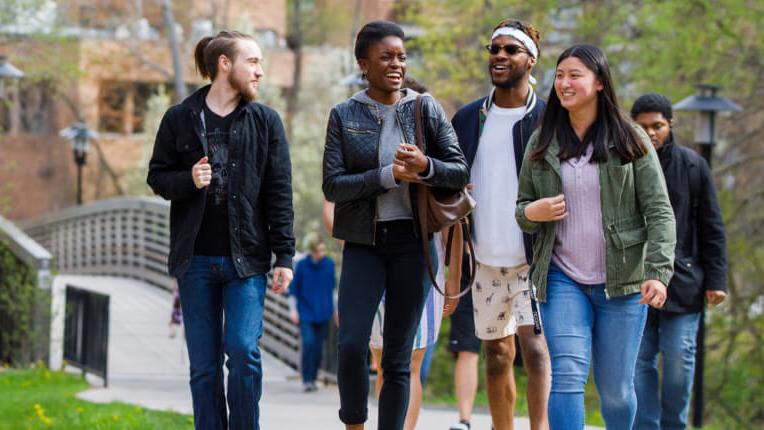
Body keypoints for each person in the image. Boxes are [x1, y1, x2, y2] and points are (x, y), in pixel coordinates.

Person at [515, 44, 676, 429]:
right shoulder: (541, 143)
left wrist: (658, 271)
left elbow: (659, 210)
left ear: (600, 82)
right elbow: (522, 209)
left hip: (623, 282)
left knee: (617, 390)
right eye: (560, 76)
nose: (564, 83)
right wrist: (532, 213)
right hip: (562, 277)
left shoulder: (631, 139)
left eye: (575, 75)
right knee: (567, 377)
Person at [323, 20, 469, 430]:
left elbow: (459, 171)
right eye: (386, 56)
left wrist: (426, 167)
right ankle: (354, 424)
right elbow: (333, 185)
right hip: (363, 243)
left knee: (397, 357)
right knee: (351, 343)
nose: (396, 64)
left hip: (413, 243)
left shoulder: (426, 108)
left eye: (402, 57)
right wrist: (389, 174)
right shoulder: (344, 114)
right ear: (363, 64)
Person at [147, 30, 294, 430]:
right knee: (205, 367)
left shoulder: (266, 121)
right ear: (225, 64)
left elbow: (279, 190)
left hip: (246, 261)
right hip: (194, 260)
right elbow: (157, 177)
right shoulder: (180, 118)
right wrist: (188, 180)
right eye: (253, 61)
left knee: (244, 352)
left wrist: (285, 256)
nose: (260, 71)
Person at [451, 19, 551, 430]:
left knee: (536, 351)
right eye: (495, 49)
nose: (500, 57)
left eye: (511, 50)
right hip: (485, 258)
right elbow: (450, 185)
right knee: (496, 356)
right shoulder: (468, 118)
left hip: (535, 258)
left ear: (530, 60)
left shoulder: (549, 119)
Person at [630, 93, 728, 430]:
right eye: (641, 127)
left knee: (677, 359)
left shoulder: (693, 166)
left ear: (671, 125)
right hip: (633, 281)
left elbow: (711, 227)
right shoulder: (621, 163)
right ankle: (646, 426)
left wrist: (717, 281)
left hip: (684, 283)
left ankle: (674, 425)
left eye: (657, 126)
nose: (650, 133)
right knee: (639, 361)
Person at [289, 232, 337, 392]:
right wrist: (293, 310)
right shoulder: (302, 265)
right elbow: (294, 290)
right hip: (305, 312)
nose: (321, 253)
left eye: (323, 250)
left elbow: (332, 290)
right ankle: (307, 379)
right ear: (311, 251)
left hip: (324, 313)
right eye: (318, 250)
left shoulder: (329, 265)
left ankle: (313, 378)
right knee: (308, 343)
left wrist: (336, 311)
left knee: (318, 348)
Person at [447, 292, 481, 430]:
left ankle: (500, 421)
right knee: (466, 349)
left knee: (501, 354)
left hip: (507, 275)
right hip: (466, 281)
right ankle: (464, 420)